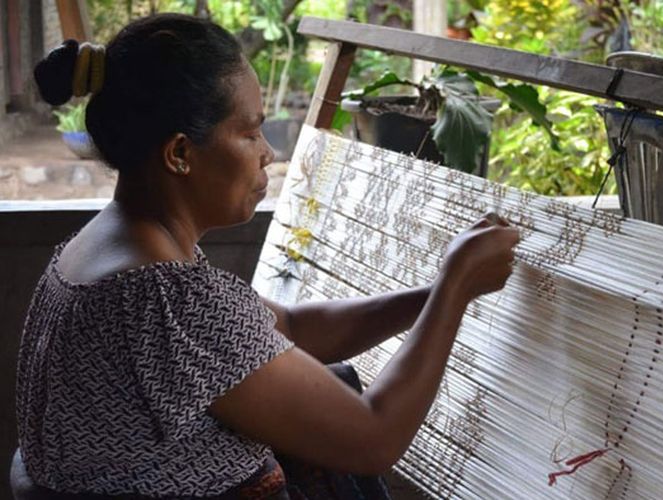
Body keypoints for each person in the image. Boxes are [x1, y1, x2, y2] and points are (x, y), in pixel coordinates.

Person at [15, 13, 519, 500]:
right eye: (250, 132)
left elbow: (291, 329)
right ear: (180, 154)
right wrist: (455, 288)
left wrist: (435, 295)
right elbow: (373, 438)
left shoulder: (102, 247)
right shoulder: (166, 297)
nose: (268, 154)